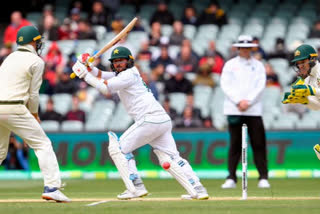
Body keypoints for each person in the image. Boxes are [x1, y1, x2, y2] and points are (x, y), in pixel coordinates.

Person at [72, 46, 209, 200]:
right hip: (160, 119)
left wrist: (84, 74)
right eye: (115, 61)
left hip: (149, 119)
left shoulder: (127, 75)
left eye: (121, 61)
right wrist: (89, 67)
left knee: (119, 148)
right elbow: (102, 74)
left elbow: (105, 89)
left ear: (129, 61)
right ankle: (197, 188)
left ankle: (135, 186)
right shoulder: (129, 72)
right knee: (173, 157)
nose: (118, 64)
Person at [0, 26, 70, 202]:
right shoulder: (36, 61)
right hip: (14, 107)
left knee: (0, 152)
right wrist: (34, 114)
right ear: (33, 42)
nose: (39, 44)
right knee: (43, 144)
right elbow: (33, 94)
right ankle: (52, 187)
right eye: (38, 41)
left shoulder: (9, 58)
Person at [220, 35, 270, 189]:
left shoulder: (259, 65)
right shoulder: (229, 65)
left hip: (253, 110)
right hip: (235, 109)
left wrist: (248, 101)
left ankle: (263, 177)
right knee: (235, 144)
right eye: (243, 47)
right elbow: (225, 85)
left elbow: (260, 86)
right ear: (238, 48)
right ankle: (231, 177)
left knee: (258, 143)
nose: (245, 50)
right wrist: (238, 101)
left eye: (248, 48)